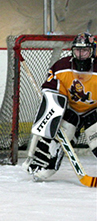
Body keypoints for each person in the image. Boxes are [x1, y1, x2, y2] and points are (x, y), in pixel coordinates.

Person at [22, 32, 97, 180]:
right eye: (77, 50)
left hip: (93, 111)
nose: (81, 55)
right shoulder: (61, 66)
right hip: (70, 111)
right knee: (60, 137)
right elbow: (51, 93)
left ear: (92, 52)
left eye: (85, 51)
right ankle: (47, 165)